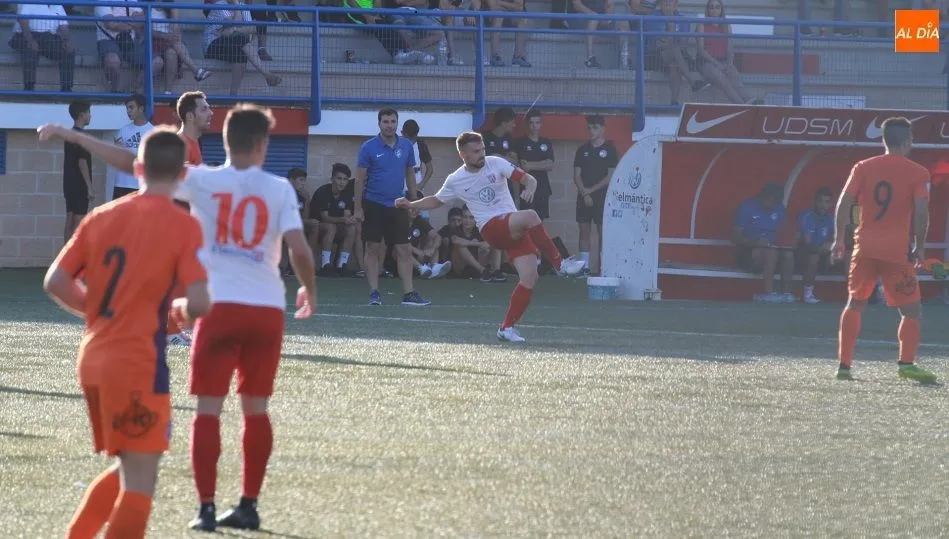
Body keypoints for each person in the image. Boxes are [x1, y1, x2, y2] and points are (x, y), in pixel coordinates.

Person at [38, 103, 318, 533]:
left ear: (224, 141)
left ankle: (205, 509)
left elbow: (137, 167)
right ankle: (249, 503)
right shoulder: (278, 188)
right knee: (253, 412)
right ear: (263, 145)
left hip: (185, 319)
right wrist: (308, 289)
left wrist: (76, 138)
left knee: (201, 415)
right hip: (258, 310)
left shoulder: (199, 181)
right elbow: (298, 249)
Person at [42, 127, 211, 539]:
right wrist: (178, 314)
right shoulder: (182, 225)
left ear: (138, 167)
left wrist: (99, 314)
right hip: (137, 363)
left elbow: (56, 282)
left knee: (128, 466)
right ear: (182, 174)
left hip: (94, 357)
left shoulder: (102, 215)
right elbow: (201, 303)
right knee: (141, 483)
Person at [396, 131, 585, 343]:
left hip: (514, 226)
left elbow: (527, 178)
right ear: (463, 155)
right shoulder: (456, 179)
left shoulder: (495, 163)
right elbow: (436, 201)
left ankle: (506, 328)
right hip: (492, 228)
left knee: (529, 278)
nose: (482, 154)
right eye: (476, 152)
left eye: (483, 149)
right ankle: (561, 265)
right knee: (531, 215)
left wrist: (530, 187)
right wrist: (410, 204)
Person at [831, 116, 936, 383]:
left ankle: (844, 366)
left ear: (884, 140)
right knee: (912, 311)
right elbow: (922, 213)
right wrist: (920, 246)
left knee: (855, 304)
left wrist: (838, 239)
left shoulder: (863, 167)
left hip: (864, 247)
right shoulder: (918, 172)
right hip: (895, 252)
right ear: (907, 141)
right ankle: (906, 364)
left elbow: (844, 203)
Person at [354, 108, 430, 306]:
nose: (389, 125)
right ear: (379, 124)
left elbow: (410, 174)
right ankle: (374, 293)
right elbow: (359, 180)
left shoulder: (406, 146)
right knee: (373, 248)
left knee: (404, 249)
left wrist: (413, 202)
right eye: (385, 121)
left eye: (392, 121)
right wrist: (358, 208)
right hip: (373, 204)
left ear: (397, 123)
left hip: (398, 205)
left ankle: (409, 294)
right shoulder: (368, 147)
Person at [63, 100, 93, 241]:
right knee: (78, 222)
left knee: (70, 220)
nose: (90, 116)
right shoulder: (82, 137)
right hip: (79, 185)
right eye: (89, 113)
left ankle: (64, 260)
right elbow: (82, 162)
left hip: (68, 185)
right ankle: (72, 261)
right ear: (82, 115)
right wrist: (89, 187)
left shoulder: (69, 135)